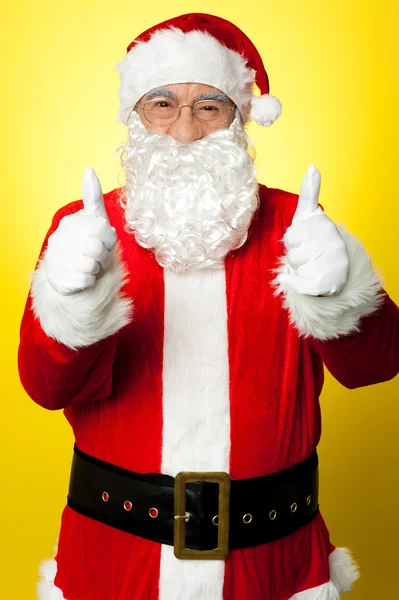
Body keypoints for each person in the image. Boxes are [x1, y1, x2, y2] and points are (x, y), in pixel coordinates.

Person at [18, 12, 399, 600]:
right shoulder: (86, 231)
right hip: (119, 562)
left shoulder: (296, 224)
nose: (186, 131)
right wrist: (70, 303)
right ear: (135, 116)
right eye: (163, 104)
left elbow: (376, 365)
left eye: (210, 106)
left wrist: (343, 293)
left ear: (239, 119)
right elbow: (46, 388)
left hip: (272, 564)